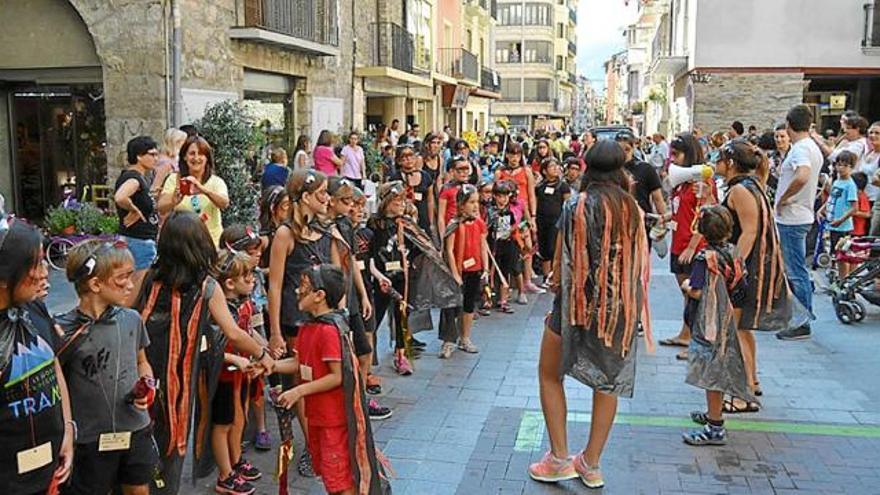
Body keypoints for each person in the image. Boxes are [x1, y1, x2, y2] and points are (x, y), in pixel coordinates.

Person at [528, 141, 651, 489]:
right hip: (619, 310)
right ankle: (592, 463)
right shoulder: (633, 209)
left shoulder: (576, 206)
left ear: (588, 168)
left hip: (573, 307)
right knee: (607, 383)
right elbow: (639, 264)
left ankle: (559, 457)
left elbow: (560, 265)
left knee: (550, 374)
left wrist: (555, 282)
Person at [135, 212, 274, 494]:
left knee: (145, 437)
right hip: (180, 377)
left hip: (145, 369)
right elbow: (234, 332)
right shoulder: (207, 286)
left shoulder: (148, 277)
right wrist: (263, 354)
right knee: (173, 440)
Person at [274, 265, 387, 495]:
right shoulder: (308, 327)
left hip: (333, 419)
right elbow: (299, 363)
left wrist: (298, 392)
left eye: (304, 287)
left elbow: (336, 377)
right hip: (318, 416)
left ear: (319, 295)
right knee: (330, 476)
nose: (297, 291)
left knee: (341, 481)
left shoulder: (328, 331)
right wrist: (271, 365)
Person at [56, 239, 156, 495]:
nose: (131, 285)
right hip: (90, 438)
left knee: (138, 489)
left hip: (135, 429)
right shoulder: (63, 331)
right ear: (95, 284)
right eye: (122, 278)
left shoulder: (132, 319)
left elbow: (142, 362)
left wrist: (148, 386)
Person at [266, 169, 342, 477]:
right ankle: (311, 448)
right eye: (322, 193)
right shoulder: (285, 234)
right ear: (306, 197)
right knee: (301, 382)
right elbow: (274, 284)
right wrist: (273, 332)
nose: (327, 198)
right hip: (293, 321)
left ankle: (320, 444)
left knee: (320, 381)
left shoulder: (326, 233)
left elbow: (338, 278)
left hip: (323, 321)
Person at [0, 221, 74, 494]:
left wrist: (67, 429)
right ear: (5, 276)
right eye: (36, 265)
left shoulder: (35, 309)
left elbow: (54, 368)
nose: (46, 274)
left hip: (51, 469)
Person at [680, 206, 750, 446]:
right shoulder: (734, 251)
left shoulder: (705, 258)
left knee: (712, 373)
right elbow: (741, 283)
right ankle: (713, 414)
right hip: (728, 315)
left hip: (708, 321)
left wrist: (687, 286)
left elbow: (698, 291)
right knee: (719, 366)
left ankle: (715, 426)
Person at [208, 249, 264, 495]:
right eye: (247, 276)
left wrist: (265, 350)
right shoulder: (218, 311)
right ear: (229, 283)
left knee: (239, 418)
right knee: (222, 424)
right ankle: (224, 475)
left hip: (240, 374)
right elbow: (208, 348)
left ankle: (236, 459)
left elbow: (249, 333)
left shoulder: (245, 305)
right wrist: (235, 359)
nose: (252, 280)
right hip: (222, 376)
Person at [659, 133, 716, 358]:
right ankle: (686, 334)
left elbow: (705, 214)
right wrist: (665, 217)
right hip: (678, 244)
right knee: (687, 294)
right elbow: (681, 210)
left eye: (677, 154)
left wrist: (693, 246)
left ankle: (697, 341)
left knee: (695, 294)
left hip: (693, 246)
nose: (673, 159)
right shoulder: (682, 182)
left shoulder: (701, 182)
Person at [219, 225, 273, 454]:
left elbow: (249, 328)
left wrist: (266, 347)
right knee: (226, 418)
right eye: (251, 250)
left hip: (253, 336)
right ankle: (229, 464)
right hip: (232, 363)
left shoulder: (254, 277)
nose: (258, 254)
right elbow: (229, 335)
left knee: (254, 395)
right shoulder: (223, 299)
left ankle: (257, 430)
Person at [775, 105, 823, 340]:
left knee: (796, 271)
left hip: (793, 216)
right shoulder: (811, 147)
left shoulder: (801, 150)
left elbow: (802, 175)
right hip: (799, 214)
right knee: (796, 269)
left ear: (789, 125)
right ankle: (798, 316)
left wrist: (785, 198)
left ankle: (802, 321)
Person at [368, 183, 417, 376]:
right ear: (387, 201)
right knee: (376, 314)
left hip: (402, 276)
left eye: (403, 201)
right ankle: (367, 354)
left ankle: (401, 353)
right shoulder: (375, 224)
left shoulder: (406, 223)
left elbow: (418, 245)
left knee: (402, 314)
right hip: (382, 276)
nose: (401, 205)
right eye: (397, 201)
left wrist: (410, 258)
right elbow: (369, 251)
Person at [440, 184, 488, 358]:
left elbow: (484, 247)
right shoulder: (453, 224)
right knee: (451, 307)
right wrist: (454, 273)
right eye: (471, 202)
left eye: (477, 202)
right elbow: (449, 251)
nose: (475, 206)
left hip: (474, 269)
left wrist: (486, 268)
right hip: (457, 272)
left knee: (468, 305)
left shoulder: (480, 223)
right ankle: (448, 340)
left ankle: (465, 337)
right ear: (461, 205)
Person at [158, 135, 230, 246]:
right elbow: (161, 207)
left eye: (201, 154)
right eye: (192, 154)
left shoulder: (216, 181)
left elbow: (224, 203)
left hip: (211, 243)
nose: (196, 158)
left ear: (207, 158)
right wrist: (174, 200)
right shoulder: (174, 179)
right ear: (184, 157)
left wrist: (203, 190)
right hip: (182, 243)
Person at [115, 136, 160, 305]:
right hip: (139, 241)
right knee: (134, 291)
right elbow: (120, 197)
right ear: (139, 156)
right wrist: (133, 209)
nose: (156, 158)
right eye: (152, 154)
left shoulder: (135, 177)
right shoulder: (134, 178)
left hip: (135, 239)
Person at [496, 142, 542, 295]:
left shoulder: (526, 171)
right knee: (507, 247)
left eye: (517, 154)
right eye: (511, 154)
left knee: (527, 246)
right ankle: (506, 284)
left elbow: (531, 194)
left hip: (523, 213)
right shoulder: (500, 172)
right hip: (506, 214)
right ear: (507, 155)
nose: (514, 158)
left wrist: (533, 216)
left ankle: (527, 280)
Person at [616, 131, 666, 246]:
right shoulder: (610, 170)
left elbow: (657, 198)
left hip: (642, 223)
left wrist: (663, 222)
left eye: (627, 149)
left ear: (634, 148)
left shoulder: (646, 169)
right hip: (617, 223)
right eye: (619, 150)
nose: (623, 154)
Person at [819, 151, 858, 279]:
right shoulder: (837, 182)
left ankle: (844, 279)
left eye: (845, 166)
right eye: (839, 165)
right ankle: (839, 277)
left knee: (843, 255)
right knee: (836, 253)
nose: (841, 168)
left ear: (851, 167)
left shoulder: (850, 185)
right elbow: (831, 198)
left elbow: (854, 208)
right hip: (833, 224)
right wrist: (821, 209)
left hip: (843, 227)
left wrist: (841, 220)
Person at [534, 157, 571, 286]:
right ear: (544, 171)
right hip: (542, 220)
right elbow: (536, 203)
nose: (555, 169)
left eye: (556, 166)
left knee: (554, 248)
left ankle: (555, 276)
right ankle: (546, 276)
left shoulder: (563, 186)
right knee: (544, 249)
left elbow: (567, 204)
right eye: (551, 166)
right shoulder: (539, 187)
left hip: (556, 221)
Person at [487, 180, 520, 313]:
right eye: (500, 196)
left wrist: (513, 229)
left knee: (505, 272)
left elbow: (512, 225)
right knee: (490, 272)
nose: (503, 199)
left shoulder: (509, 212)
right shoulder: (490, 211)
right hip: (493, 244)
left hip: (507, 244)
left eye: (506, 196)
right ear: (495, 196)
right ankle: (487, 299)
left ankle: (503, 300)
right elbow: (486, 228)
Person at [390, 145, 435, 235]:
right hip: (403, 220)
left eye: (411, 156)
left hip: (423, 219)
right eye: (404, 157)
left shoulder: (425, 176)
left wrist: (431, 222)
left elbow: (430, 200)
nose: (408, 159)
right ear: (399, 161)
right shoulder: (395, 178)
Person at [438, 155, 472, 237]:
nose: (464, 172)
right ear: (452, 171)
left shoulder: (471, 189)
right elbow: (441, 216)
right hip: (452, 230)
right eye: (460, 169)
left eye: (466, 169)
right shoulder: (446, 189)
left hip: (468, 229)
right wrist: (443, 235)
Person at [152, 128, 188, 196]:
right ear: (176, 142)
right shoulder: (165, 163)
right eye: (184, 142)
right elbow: (155, 187)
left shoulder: (175, 159)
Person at [859, 122, 880, 235]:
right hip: (863, 199)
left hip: (875, 200)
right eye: (871, 132)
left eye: (877, 133)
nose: (873, 135)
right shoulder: (868, 153)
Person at [852, 172, 872, 237]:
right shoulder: (853, 195)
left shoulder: (862, 197)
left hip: (858, 231)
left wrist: (852, 212)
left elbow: (867, 214)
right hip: (851, 229)